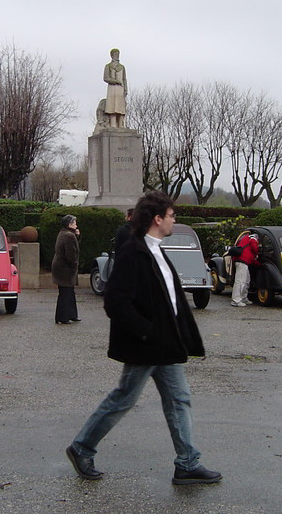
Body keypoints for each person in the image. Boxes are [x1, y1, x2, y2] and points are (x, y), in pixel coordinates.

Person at [66, 190, 221, 485]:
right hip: (147, 344)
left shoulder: (157, 248)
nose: (175, 219)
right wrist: (147, 331)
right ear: (157, 218)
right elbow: (115, 302)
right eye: (172, 215)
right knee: (124, 398)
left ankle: (187, 463)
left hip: (166, 344)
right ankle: (81, 447)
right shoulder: (133, 251)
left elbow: (168, 298)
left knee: (179, 399)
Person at [52, 215, 81, 325]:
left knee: (68, 292)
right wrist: (74, 266)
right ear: (69, 224)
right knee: (66, 293)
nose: (76, 225)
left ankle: (72, 315)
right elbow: (71, 254)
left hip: (60, 267)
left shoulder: (63, 233)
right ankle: (63, 317)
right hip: (65, 268)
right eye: (74, 223)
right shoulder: (69, 236)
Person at [230, 233, 259, 307]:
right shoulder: (253, 239)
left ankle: (243, 298)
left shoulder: (245, 238)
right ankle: (236, 300)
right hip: (242, 261)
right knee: (240, 281)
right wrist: (257, 253)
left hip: (241, 261)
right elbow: (254, 249)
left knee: (246, 280)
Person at [103, 48, 128, 128]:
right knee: (112, 106)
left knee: (120, 107)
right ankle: (113, 123)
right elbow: (106, 78)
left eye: (118, 54)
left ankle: (121, 124)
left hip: (120, 89)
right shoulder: (108, 66)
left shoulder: (122, 67)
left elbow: (124, 79)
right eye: (115, 54)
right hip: (112, 89)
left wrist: (125, 89)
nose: (117, 56)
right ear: (112, 55)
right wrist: (115, 81)